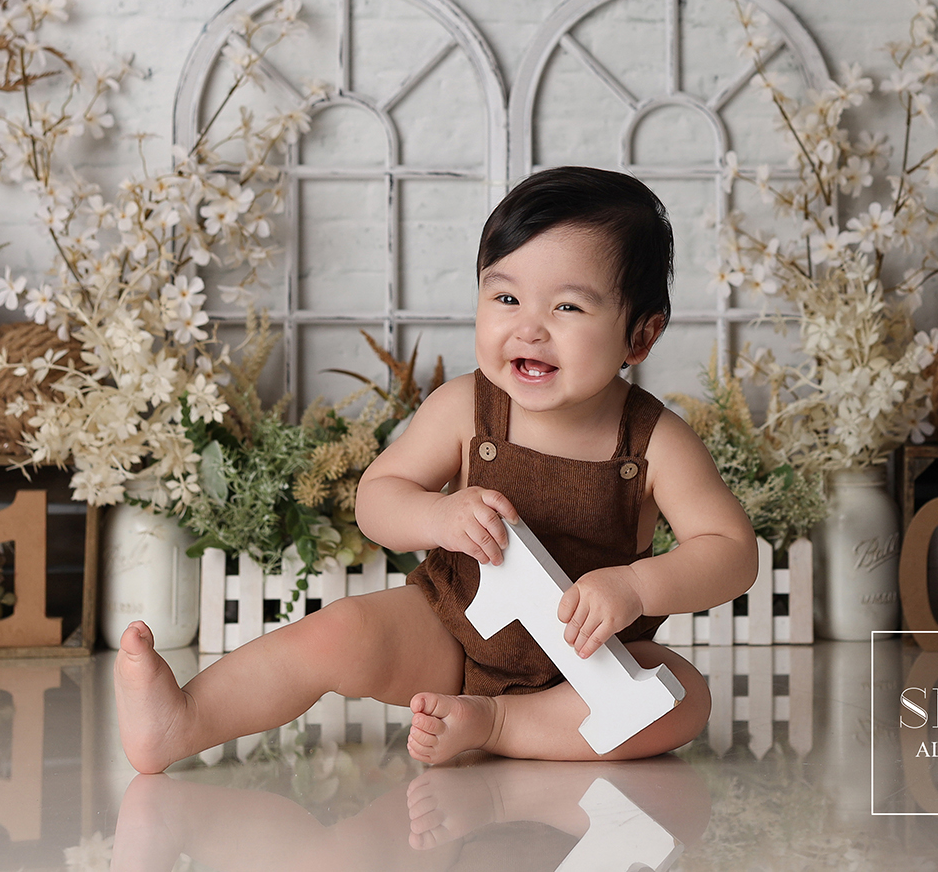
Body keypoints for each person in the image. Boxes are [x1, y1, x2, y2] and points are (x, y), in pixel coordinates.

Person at [114, 166, 758, 772]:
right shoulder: (465, 408)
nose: (529, 328)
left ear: (640, 337)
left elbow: (731, 551)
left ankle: (501, 723)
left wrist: (638, 588)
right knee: (336, 632)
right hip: (452, 631)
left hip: (592, 665)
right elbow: (377, 500)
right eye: (505, 295)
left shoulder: (654, 441)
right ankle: (182, 720)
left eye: (567, 308)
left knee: (680, 695)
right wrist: (437, 513)